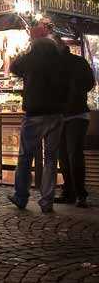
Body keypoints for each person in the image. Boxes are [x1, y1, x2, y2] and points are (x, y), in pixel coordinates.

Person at [7, 31, 68, 213]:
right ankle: (47, 200)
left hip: (34, 113)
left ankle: (21, 196)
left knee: (26, 156)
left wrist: (27, 50)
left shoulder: (31, 58)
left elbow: (14, 67)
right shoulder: (59, 61)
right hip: (56, 114)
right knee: (51, 158)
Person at [55, 44, 95, 208]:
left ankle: (74, 192)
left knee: (67, 155)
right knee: (71, 154)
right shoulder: (80, 62)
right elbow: (90, 83)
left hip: (68, 114)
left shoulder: (54, 64)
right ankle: (76, 193)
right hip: (77, 112)